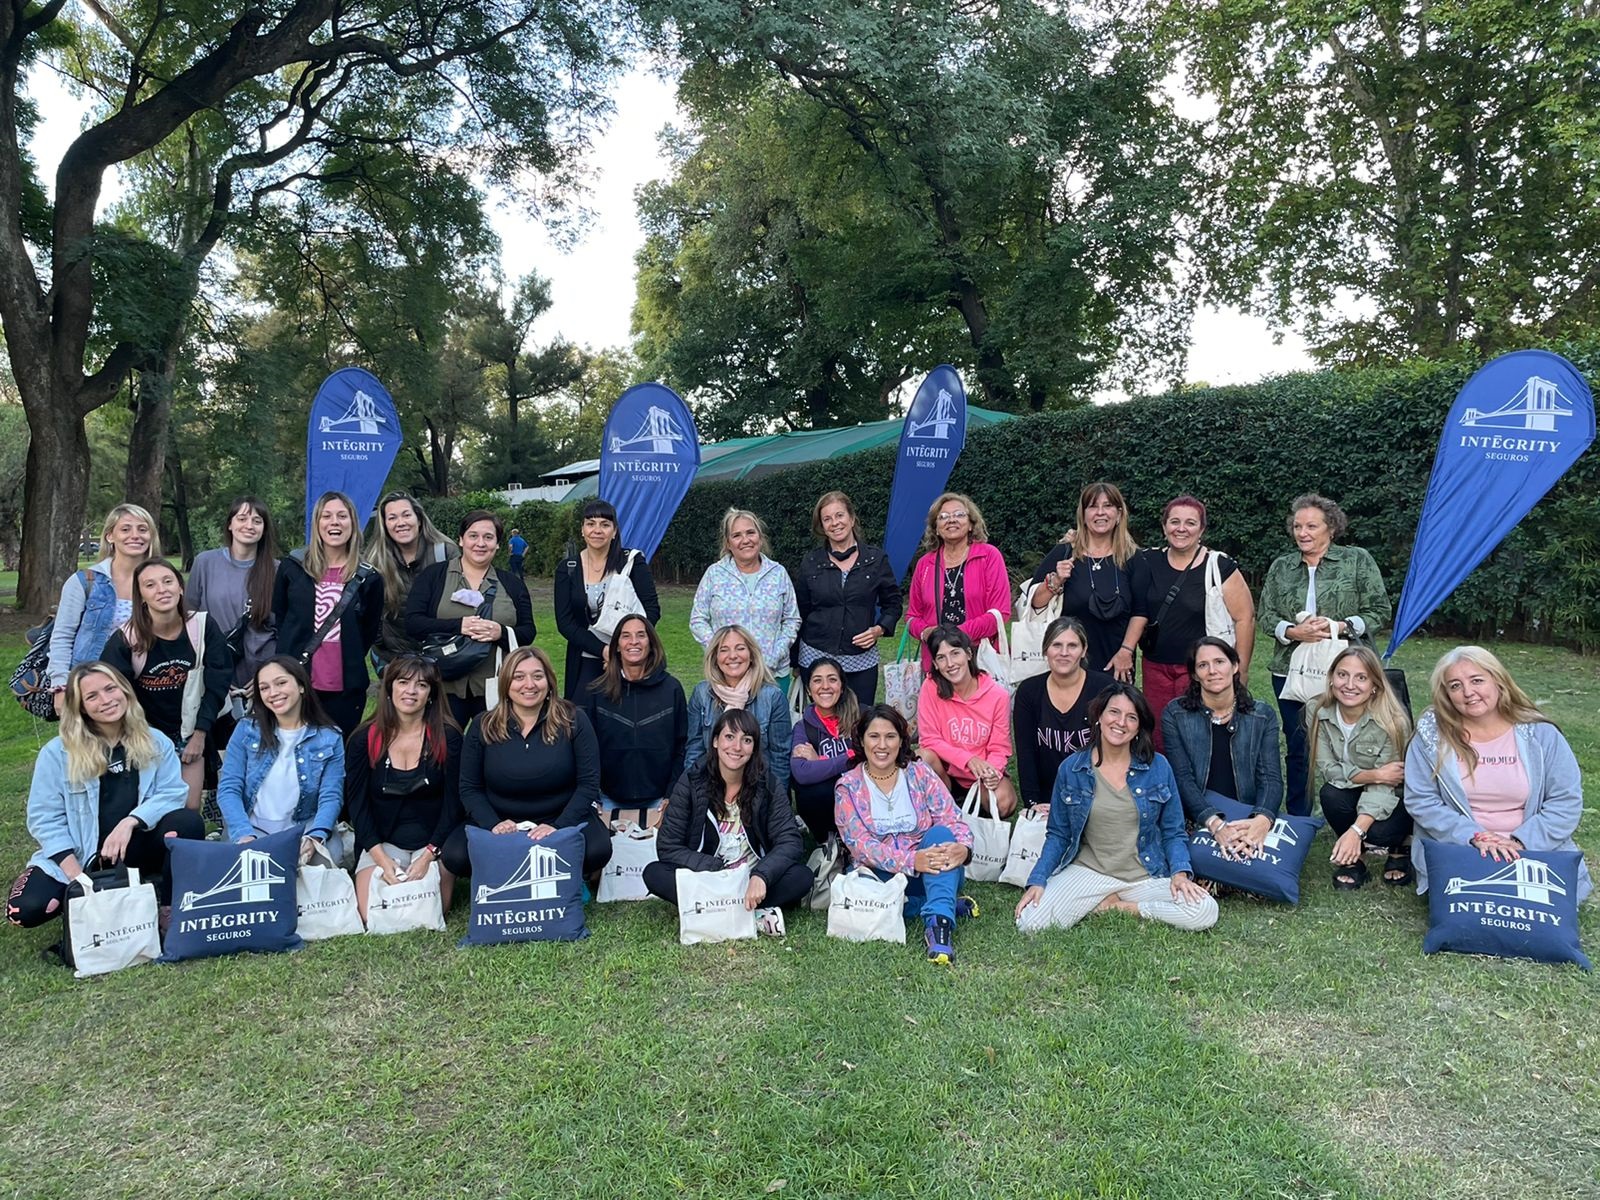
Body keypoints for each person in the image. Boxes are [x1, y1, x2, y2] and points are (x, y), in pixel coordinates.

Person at [8, 663, 204, 928]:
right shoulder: (57, 753)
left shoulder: (155, 741)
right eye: (92, 696)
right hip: (81, 856)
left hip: (133, 848)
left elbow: (173, 793)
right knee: (23, 911)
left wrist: (130, 822)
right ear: (81, 707)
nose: (106, 700)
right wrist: (78, 879)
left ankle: (167, 906)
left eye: (110, 689)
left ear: (124, 690)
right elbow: (44, 819)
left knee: (187, 822)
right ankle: (97, 894)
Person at [1015, 684, 1218, 933]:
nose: (1120, 722)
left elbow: (1172, 831)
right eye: (1114, 712)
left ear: (1138, 728)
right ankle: (1097, 899)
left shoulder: (1158, 767)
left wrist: (1179, 874)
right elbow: (1058, 834)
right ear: (1099, 716)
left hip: (1145, 875)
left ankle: (1119, 907)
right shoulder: (1072, 768)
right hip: (1089, 871)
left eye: (1131, 717)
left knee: (1205, 910)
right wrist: (1038, 880)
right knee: (1029, 923)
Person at [1403, 646, 1590, 901]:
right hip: (1461, 848)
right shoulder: (1430, 738)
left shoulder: (1542, 735)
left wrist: (1520, 843)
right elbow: (1421, 801)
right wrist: (1475, 837)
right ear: (1446, 695)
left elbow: (1565, 802)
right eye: (1455, 686)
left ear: (1498, 681)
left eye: (1477, 680)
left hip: (1534, 848)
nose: (1468, 692)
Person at [1257, 493, 1392, 816]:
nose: (1303, 533)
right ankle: (1298, 817)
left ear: (1331, 527)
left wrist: (1342, 626)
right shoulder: (1282, 567)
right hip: (1291, 672)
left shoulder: (1356, 560)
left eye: (1311, 526)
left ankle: (1362, 816)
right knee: (1299, 746)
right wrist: (1292, 632)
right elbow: (1265, 616)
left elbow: (1380, 610)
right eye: (1297, 526)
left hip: (1347, 672)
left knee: (1356, 744)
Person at [447, 646, 611, 882]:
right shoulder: (483, 725)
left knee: (598, 850)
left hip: (560, 815)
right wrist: (493, 824)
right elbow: (469, 787)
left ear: (549, 681)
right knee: (456, 856)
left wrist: (558, 826)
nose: (529, 685)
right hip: (501, 818)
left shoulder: (573, 719)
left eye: (537, 676)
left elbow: (588, 783)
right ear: (506, 683)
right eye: (519, 677)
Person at [834, 704, 976, 964]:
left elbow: (951, 816)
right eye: (874, 736)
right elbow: (861, 846)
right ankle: (941, 904)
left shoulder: (919, 772)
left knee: (942, 833)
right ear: (862, 740)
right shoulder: (848, 787)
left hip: (930, 870)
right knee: (885, 879)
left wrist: (964, 848)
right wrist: (911, 861)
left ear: (901, 740)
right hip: (880, 876)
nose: (882, 745)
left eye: (890, 736)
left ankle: (938, 927)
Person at [643, 709, 813, 917]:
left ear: (754, 748)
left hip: (752, 878)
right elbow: (668, 846)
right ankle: (740, 910)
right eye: (729, 737)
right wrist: (714, 868)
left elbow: (790, 841)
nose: (737, 747)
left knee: (801, 876)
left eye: (747, 740)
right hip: (707, 877)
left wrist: (761, 875)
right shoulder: (692, 781)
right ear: (715, 741)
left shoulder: (767, 783)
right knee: (655, 873)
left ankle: (715, 909)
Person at [100, 560, 231, 810]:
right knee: (148, 807)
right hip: (144, 733)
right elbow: (113, 693)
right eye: (150, 585)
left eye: (168, 581)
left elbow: (218, 682)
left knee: (189, 810)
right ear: (141, 597)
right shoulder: (126, 640)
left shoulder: (202, 626)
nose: (162, 589)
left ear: (180, 588)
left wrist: (199, 734)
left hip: (191, 730)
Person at [1131, 496, 1256, 749]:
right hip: (1155, 667)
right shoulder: (1147, 560)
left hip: (1201, 670)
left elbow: (1245, 618)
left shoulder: (1219, 565)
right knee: (1159, 736)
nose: (1181, 528)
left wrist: (1240, 670)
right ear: (1164, 526)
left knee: (1199, 735)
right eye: (1174, 521)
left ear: (1202, 529)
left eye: (1190, 523)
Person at [346, 655, 463, 919]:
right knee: (370, 914)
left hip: (433, 842)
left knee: (431, 911)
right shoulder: (363, 739)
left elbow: (454, 803)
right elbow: (357, 806)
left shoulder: (449, 737)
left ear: (431, 694)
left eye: (421, 685)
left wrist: (428, 857)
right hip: (382, 843)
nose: (411, 691)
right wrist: (382, 861)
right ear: (390, 688)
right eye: (403, 682)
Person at [405, 509, 535, 729]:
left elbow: (528, 632)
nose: (480, 543)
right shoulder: (434, 576)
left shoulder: (512, 584)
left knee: (494, 748)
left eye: (488, 537)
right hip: (443, 685)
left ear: (498, 544)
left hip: (494, 687)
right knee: (443, 750)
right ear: (461, 540)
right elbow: (413, 624)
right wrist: (459, 626)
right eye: (473, 536)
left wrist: (500, 633)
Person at [272, 490, 384, 737]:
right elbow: (281, 618)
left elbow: (368, 629)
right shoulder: (292, 568)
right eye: (327, 516)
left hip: (345, 687)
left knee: (336, 755)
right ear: (317, 524)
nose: (334, 522)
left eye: (342, 516)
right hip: (296, 680)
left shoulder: (369, 578)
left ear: (353, 523)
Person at [1160, 636, 1284, 859]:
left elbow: (1271, 778)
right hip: (1197, 815)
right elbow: (1182, 778)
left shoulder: (1262, 715)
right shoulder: (1175, 714)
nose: (1212, 671)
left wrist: (1262, 820)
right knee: (1199, 862)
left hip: (1246, 814)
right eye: (1202, 665)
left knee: (1251, 865)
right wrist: (1214, 823)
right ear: (1194, 675)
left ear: (1235, 666)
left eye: (1219, 662)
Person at [214, 656, 345, 862]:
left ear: (301, 686)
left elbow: (331, 796)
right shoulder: (246, 730)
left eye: (281, 683)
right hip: (252, 828)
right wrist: (243, 835)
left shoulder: (329, 737)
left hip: (304, 829)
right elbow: (229, 788)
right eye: (264, 688)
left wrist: (316, 836)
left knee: (328, 859)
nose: (273, 693)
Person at [1311, 646, 1413, 890]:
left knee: (1379, 833)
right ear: (1331, 678)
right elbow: (1328, 770)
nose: (1350, 684)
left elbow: (1387, 784)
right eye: (1342, 674)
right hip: (1360, 784)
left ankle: (1401, 847)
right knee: (1330, 793)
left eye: (1361, 678)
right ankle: (1355, 858)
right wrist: (1374, 774)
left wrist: (1357, 830)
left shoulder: (1393, 722)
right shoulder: (1317, 712)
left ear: (1375, 685)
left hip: (1391, 797)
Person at [46, 503, 161, 715]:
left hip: (146, 687)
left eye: (142, 529)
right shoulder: (85, 582)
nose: (135, 535)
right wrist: (60, 686)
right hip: (93, 687)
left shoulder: (162, 582)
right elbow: (62, 636)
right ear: (110, 536)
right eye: (125, 529)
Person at [185, 496, 279, 750]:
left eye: (257, 520)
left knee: (262, 747)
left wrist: (268, 674)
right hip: (214, 670)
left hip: (262, 673)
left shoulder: (277, 570)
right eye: (242, 518)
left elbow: (283, 629)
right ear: (229, 524)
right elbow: (190, 617)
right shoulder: (205, 562)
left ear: (264, 528)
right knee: (218, 748)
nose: (249, 525)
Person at [792, 490, 902, 708]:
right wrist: (794, 660)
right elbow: (799, 612)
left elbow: (893, 603)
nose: (835, 523)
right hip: (815, 658)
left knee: (859, 723)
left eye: (839, 515)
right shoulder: (811, 562)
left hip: (860, 661)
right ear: (822, 527)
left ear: (851, 518)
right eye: (827, 519)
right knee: (820, 726)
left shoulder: (875, 559)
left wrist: (879, 629)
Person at [1023, 483, 1143, 680]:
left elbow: (1140, 611)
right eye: (1093, 506)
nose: (1100, 513)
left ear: (1119, 514)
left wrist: (1126, 650)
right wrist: (1055, 582)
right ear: (1083, 514)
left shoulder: (1132, 558)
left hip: (1116, 664)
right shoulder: (1064, 553)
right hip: (1067, 664)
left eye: (1108, 506)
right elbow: (1033, 603)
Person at [580, 615, 687, 829]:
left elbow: (682, 746)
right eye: (626, 636)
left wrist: (671, 795)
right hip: (608, 801)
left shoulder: (672, 689)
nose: (634, 642)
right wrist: (593, 797)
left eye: (641, 635)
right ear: (617, 646)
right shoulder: (597, 692)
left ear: (651, 643)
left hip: (660, 802)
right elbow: (586, 752)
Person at [554, 499, 661, 700]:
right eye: (591, 523)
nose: (597, 530)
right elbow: (565, 623)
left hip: (631, 657)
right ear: (582, 530)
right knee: (582, 719)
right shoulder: (567, 568)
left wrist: (626, 646)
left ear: (614, 531)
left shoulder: (632, 562)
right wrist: (604, 651)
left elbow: (652, 610)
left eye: (605, 524)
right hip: (585, 658)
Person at [1011, 617, 1115, 814]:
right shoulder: (1029, 691)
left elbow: (1117, 750)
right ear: (1045, 651)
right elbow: (1026, 752)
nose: (1064, 653)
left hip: (1097, 793)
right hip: (1047, 797)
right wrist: (1032, 802)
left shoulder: (1104, 689)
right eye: (1056, 645)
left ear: (1083, 651)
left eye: (1072, 645)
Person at [915, 625, 1017, 818]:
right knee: (923, 757)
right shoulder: (930, 687)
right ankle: (941, 808)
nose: (950, 663)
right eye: (941, 658)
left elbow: (999, 747)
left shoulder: (997, 695)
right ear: (935, 664)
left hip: (980, 777)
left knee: (1005, 802)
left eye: (955, 653)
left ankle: (979, 815)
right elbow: (929, 740)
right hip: (945, 773)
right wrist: (968, 759)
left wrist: (992, 773)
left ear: (969, 654)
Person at [689, 508, 800, 681]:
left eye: (750, 533)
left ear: (760, 537)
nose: (745, 540)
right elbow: (698, 619)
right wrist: (719, 651)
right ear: (727, 543)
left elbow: (792, 620)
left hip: (772, 673)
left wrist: (774, 655)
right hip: (727, 674)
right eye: (737, 535)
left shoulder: (778, 573)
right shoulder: (714, 574)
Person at [905, 492, 1011, 674]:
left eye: (959, 515)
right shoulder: (925, 564)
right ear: (936, 528)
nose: (951, 520)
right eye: (944, 517)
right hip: (937, 660)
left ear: (971, 524)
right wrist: (926, 632)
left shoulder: (989, 556)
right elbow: (912, 616)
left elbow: (1000, 613)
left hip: (980, 658)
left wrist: (955, 637)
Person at [684, 625, 792, 797]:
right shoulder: (702, 694)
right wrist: (691, 796)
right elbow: (694, 751)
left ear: (751, 655)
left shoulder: (773, 697)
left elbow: (780, 757)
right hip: (711, 789)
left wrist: (776, 802)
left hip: (758, 791)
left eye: (740, 648)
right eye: (724, 650)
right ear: (715, 657)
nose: (732, 656)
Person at [366, 492, 457, 668]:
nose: (401, 523)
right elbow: (369, 612)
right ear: (384, 525)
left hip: (441, 658)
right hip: (394, 660)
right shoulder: (374, 561)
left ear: (419, 519)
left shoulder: (446, 554)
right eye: (392, 518)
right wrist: (379, 640)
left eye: (406, 515)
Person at [789, 656, 861, 842]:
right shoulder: (803, 727)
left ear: (842, 687)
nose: (825, 686)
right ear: (809, 690)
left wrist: (820, 761)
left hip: (863, 794)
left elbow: (874, 755)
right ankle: (830, 843)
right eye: (817, 680)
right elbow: (802, 772)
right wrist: (851, 756)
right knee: (810, 792)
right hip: (828, 801)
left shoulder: (862, 716)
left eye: (832, 679)